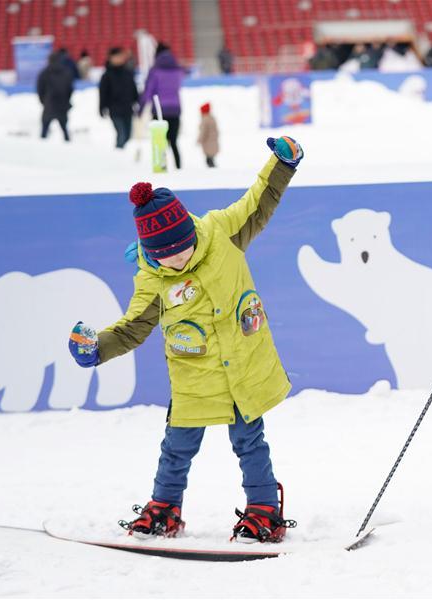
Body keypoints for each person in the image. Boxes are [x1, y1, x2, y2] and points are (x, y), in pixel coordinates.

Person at [67, 136, 305, 542]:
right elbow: (133, 327)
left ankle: (264, 509)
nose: (177, 258)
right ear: (148, 251)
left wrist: (283, 164)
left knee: (250, 443)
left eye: (182, 248)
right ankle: (164, 508)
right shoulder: (152, 278)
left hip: (241, 373)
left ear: (191, 231)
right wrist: (98, 348)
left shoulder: (220, 233)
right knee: (176, 449)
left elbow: (256, 202)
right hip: (192, 381)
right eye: (165, 254)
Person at [140, 43, 184, 168]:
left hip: (159, 110)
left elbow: (149, 91)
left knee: (160, 141)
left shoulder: (155, 71)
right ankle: (178, 167)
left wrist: (141, 108)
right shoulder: (177, 70)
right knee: (174, 141)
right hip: (175, 109)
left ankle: (162, 166)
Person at [99, 47, 138, 149]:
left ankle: (119, 155)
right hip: (115, 109)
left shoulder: (128, 73)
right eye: (117, 56)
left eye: (121, 56)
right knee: (121, 135)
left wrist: (136, 101)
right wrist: (102, 107)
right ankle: (118, 157)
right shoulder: (107, 76)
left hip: (127, 109)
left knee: (128, 135)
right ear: (110, 58)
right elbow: (103, 93)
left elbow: (133, 89)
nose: (119, 59)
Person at [36, 51, 74, 141]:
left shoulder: (44, 73)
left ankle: (41, 145)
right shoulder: (66, 72)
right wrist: (66, 100)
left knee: (45, 128)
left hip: (49, 104)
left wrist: (44, 101)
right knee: (64, 128)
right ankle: (68, 145)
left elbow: (40, 89)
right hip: (62, 104)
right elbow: (70, 89)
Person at [197, 102, 219, 167]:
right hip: (212, 142)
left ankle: (212, 171)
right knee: (210, 158)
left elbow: (203, 132)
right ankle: (213, 170)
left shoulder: (205, 120)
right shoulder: (212, 118)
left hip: (208, 142)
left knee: (209, 159)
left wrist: (199, 140)